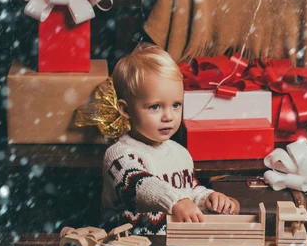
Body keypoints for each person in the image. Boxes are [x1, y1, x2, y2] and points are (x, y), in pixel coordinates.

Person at [100, 43, 240, 234]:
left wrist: (208, 198)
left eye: (176, 105)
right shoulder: (119, 155)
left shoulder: (180, 153)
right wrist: (175, 202)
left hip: (174, 243)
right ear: (126, 110)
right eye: (155, 107)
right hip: (130, 243)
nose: (169, 116)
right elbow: (139, 186)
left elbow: (189, 191)